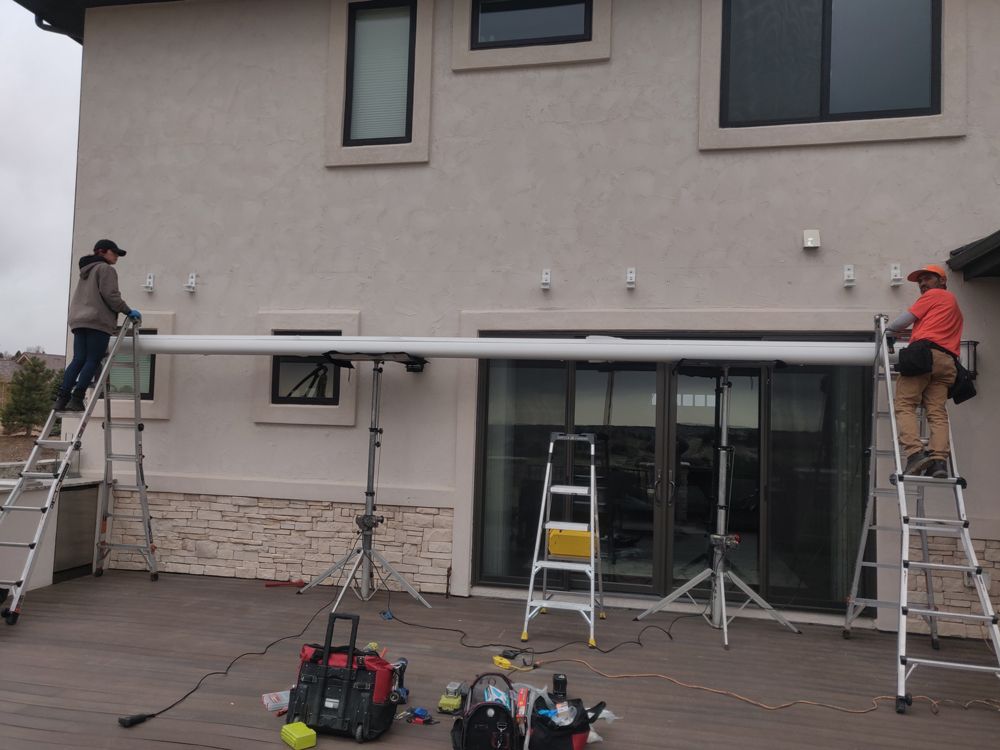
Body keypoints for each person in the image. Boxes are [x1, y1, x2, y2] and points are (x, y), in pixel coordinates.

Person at [887, 263, 963, 479]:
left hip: (924, 354)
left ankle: (914, 454)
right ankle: (939, 462)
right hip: (947, 362)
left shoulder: (935, 295)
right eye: (920, 281)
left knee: (905, 404)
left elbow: (904, 321)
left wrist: (887, 331)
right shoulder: (954, 309)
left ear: (942, 281)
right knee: (937, 412)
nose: (922, 284)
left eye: (928, 278)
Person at [55, 239, 141, 412]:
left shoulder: (85, 271)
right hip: (97, 321)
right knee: (93, 360)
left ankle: (61, 399)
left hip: (79, 320)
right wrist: (127, 311)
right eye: (114, 252)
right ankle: (77, 399)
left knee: (78, 359)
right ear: (102, 252)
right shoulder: (106, 269)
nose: (117, 256)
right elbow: (111, 295)